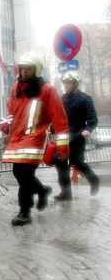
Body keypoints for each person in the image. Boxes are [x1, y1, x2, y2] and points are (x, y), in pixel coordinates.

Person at [1, 52, 69, 226]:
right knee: (18, 173)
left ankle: (25, 211)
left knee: (25, 174)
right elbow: (11, 111)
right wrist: (5, 126)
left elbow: (60, 120)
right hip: (18, 137)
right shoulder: (16, 87)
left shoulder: (48, 89)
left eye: (28, 69)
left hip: (35, 138)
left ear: (37, 69)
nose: (24, 72)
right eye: (21, 68)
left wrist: (63, 148)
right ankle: (42, 190)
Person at [54, 71, 99, 200]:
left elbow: (93, 120)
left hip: (78, 135)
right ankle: (66, 192)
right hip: (64, 136)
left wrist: (88, 130)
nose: (66, 85)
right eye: (65, 83)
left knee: (77, 162)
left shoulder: (85, 99)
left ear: (75, 83)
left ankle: (94, 180)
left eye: (68, 83)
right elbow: (58, 117)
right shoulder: (62, 98)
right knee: (60, 161)